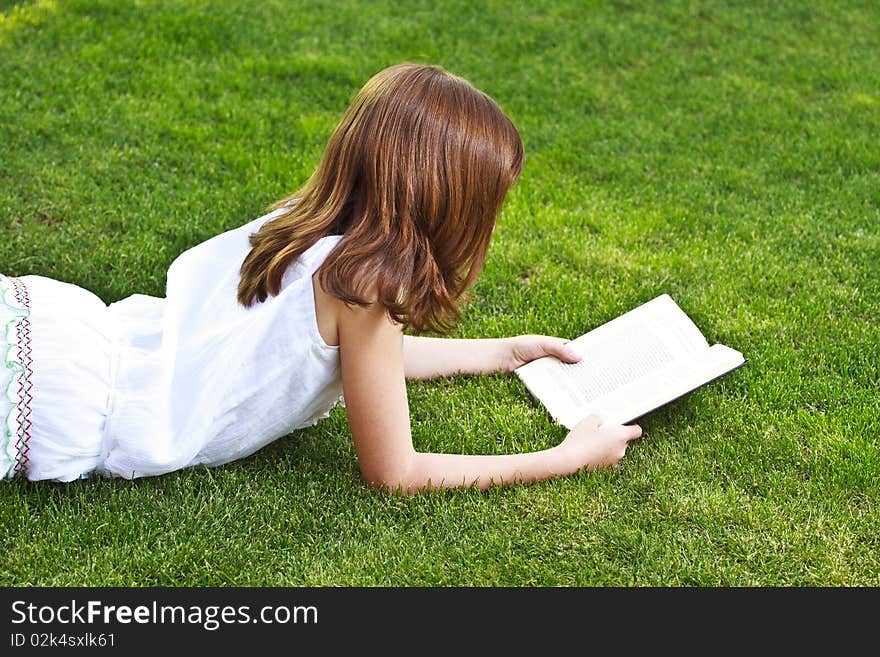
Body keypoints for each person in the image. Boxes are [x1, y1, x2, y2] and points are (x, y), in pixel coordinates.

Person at [0, 63, 641, 493]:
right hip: (66, 401)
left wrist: (502, 353)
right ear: (447, 205)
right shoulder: (363, 293)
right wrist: (565, 459)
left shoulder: (311, 230)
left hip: (58, 334)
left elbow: (360, 360)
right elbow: (395, 470)